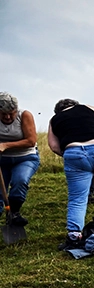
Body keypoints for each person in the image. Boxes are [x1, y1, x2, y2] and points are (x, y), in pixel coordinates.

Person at [47, 99, 94, 250]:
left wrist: (69, 153)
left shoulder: (54, 120)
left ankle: (74, 237)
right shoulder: (87, 108)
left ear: (58, 111)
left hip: (73, 154)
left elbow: (53, 146)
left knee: (77, 198)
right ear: (74, 104)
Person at [0, 92, 39, 229]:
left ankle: (14, 213)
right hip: (2, 160)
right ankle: (4, 213)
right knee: (1, 189)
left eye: (12, 113)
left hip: (25, 157)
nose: (8, 117)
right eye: (3, 113)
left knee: (20, 180)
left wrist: (5, 145)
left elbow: (31, 141)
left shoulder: (24, 115)